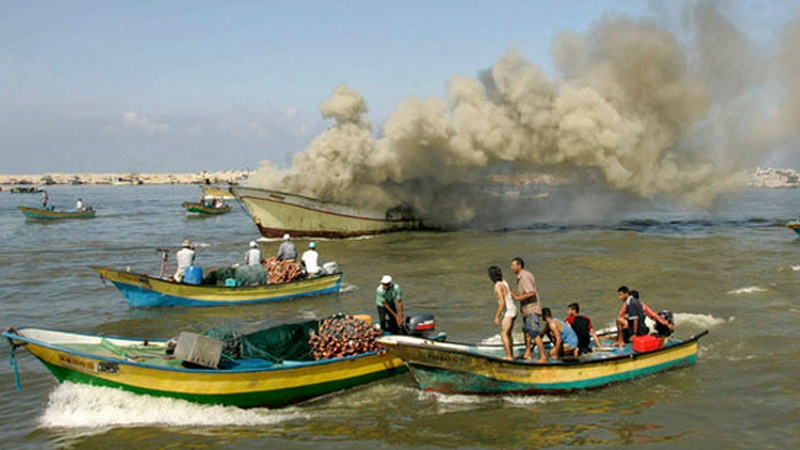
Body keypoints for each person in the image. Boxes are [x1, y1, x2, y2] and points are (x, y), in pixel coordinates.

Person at [509, 257, 542, 361]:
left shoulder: (524, 276)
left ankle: (543, 356)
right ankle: (528, 353)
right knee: (527, 332)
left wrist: (517, 297)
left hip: (532, 309)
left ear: (519, 266)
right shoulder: (521, 277)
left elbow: (532, 292)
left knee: (533, 332)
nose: (511, 268)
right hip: (526, 310)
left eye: (513, 265)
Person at [489, 266, 517, 360]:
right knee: (508, 334)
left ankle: (509, 356)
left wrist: (497, 316)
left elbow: (502, 303)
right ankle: (511, 355)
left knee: (503, 334)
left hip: (508, 311)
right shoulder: (505, 282)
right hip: (513, 309)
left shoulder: (498, 285)